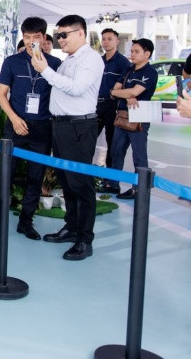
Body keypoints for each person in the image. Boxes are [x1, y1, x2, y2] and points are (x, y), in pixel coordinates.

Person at [31, 14, 103, 261]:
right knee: (67, 180)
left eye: (64, 35)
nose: (60, 39)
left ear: (81, 33)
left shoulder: (90, 59)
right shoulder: (69, 60)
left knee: (80, 183)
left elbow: (76, 88)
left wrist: (45, 70)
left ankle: (85, 239)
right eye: (58, 35)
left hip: (78, 126)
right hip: (61, 125)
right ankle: (72, 227)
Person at [0, 17, 61, 241]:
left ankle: (26, 222)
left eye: (36, 37)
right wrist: (14, 119)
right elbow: (1, 94)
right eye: (27, 37)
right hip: (15, 125)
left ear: (44, 38)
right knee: (4, 177)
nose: (31, 42)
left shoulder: (55, 64)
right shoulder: (12, 62)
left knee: (35, 178)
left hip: (43, 127)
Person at [103, 39, 158, 199]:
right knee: (116, 151)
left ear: (147, 54)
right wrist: (126, 95)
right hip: (122, 115)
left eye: (136, 51)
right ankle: (113, 184)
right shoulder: (128, 70)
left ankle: (139, 190)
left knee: (139, 155)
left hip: (140, 115)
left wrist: (125, 93)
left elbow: (134, 91)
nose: (132, 54)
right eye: (132, 51)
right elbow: (114, 90)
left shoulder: (150, 72)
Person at [95, 28, 132, 174]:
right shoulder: (98, 61)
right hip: (96, 105)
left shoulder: (123, 62)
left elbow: (125, 84)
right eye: (103, 39)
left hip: (113, 106)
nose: (106, 42)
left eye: (109, 39)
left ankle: (109, 178)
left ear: (117, 41)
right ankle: (86, 174)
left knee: (112, 142)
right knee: (89, 139)